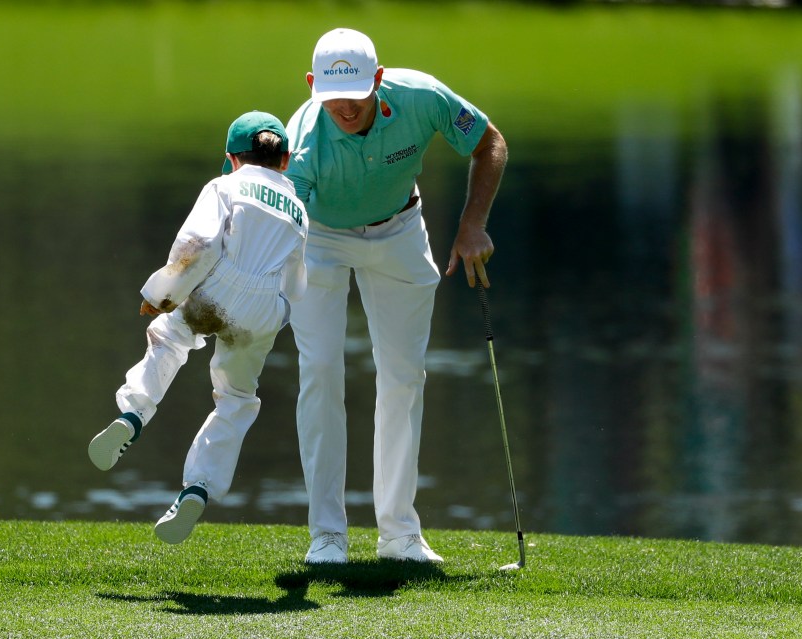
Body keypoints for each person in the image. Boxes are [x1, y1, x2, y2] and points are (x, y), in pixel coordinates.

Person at [285, 28, 508, 564]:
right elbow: (285, 226)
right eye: (332, 94)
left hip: (399, 230)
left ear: (379, 80)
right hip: (318, 238)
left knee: (405, 376)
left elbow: (489, 143)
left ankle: (400, 535)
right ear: (313, 84)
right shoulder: (303, 142)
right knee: (319, 371)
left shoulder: (422, 97)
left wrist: (472, 223)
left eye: (357, 92)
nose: (344, 106)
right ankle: (327, 536)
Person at [88, 111, 308, 545]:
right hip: (264, 306)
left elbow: (200, 245)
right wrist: (278, 313)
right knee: (237, 399)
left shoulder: (224, 185)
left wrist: (162, 294)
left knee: (169, 338)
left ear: (231, 158)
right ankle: (197, 487)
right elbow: (297, 284)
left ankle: (133, 412)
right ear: (284, 161)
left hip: (218, 287)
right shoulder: (299, 210)